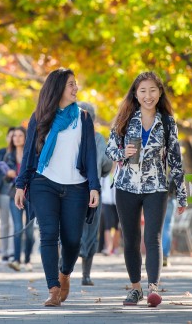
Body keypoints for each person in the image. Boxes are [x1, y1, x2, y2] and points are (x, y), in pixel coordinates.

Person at [14, 68, 100, 307]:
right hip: (44, 184)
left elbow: (91, 155)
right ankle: (53, 288)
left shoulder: (83, 118)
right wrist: (20, 185)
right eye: (71, 84)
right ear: (58, 88)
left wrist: (94, 186)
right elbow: (29, 153)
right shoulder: (40, 116)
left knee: (73, 240)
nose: (76, 88)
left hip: (76, 187)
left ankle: (65, 273)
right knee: (48, 234)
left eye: (75, 83)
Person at [106, 71, 187, 306]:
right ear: (136, 93)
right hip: (126, 186)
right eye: (143, 91)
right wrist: (123, 153)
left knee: (153, 237)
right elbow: (110, 149)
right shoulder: (124, 118)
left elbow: (175, 159)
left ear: (160, 92)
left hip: (157, 186)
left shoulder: (168, 122)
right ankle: (135, 288)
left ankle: (153, 289)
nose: (148, 95)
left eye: (153, 90)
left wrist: (183, 195)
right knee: (131, 239)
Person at [76, 101, 112, 286]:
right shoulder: (98, 138)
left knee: (68, 228)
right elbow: (107, 163)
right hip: (93, 190)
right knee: (91, 230)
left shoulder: (69, 137)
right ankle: (86, 275)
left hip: (72, 189)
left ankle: (61, 268)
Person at [4, 126, 35, 272]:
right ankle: (16, 260)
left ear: (25, 137)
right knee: (17, 228)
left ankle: (27, 260)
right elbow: (4, 179)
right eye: (14, 136)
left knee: (29, 230)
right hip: (14, 195)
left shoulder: (31, 153)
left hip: (31, 195)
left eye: (20, 135)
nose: (16, 138)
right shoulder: (8, 155)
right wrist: (8, 174)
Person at [0, 127, 16, 263]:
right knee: (4, 223)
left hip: (16, 192)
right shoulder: (0, 154)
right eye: (11, 136)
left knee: (15, 223)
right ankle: (4, 252)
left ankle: (13, 252)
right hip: (2, 193)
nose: (13, 139)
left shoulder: (21, 153)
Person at [100, 171, 121, 255]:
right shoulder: (105, 173)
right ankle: (108, 247)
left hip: (118, 202)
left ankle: (115, 248)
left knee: (117, 226)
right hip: (107, 202)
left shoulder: (119, 170)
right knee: (108, 225)